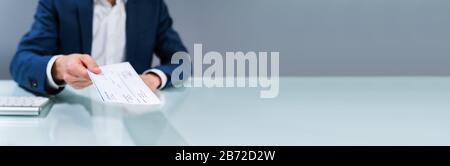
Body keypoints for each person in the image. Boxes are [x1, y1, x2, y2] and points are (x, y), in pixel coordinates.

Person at [10, 0, 187, 96]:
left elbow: (182, 62)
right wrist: (58, 68)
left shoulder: (152, 5)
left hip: (133, 117)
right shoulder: (58, 3)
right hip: (73, 119)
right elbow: (20, 61)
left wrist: (154, 78)